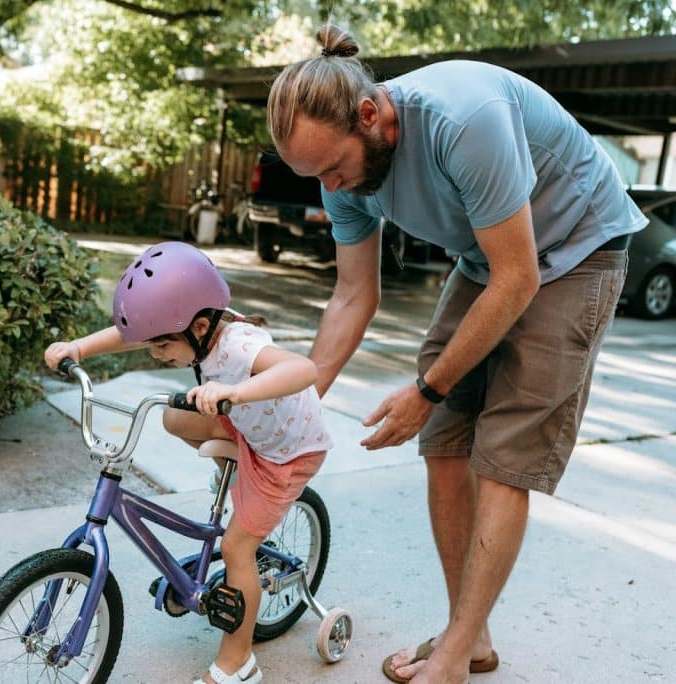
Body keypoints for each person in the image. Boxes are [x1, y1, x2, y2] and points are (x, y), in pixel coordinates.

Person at [267, 23, 645, 684]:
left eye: (334, 168)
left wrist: (426, 389)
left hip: (577, 250)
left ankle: (455, 653)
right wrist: (294, 404)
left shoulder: (462, 118)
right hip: (491, 257)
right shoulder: (340, 173)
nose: (334, 189)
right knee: (444, 443)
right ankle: (471, 637)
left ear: (370, 115)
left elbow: (520, 278)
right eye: (317, 176)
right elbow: (353, 296)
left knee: (504, 455)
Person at [45, 241, 332, 684]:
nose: (156, 354)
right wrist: (79, 348)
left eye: (162, 346)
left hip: (286, 452)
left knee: (237, 548)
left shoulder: (239, 344)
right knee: (173, 414)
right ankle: (235, 470)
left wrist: (234, 392)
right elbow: (131, 335)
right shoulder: (201, 332)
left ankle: (239, 664)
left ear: (199, 326)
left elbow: (303, 369)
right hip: (247, 425)